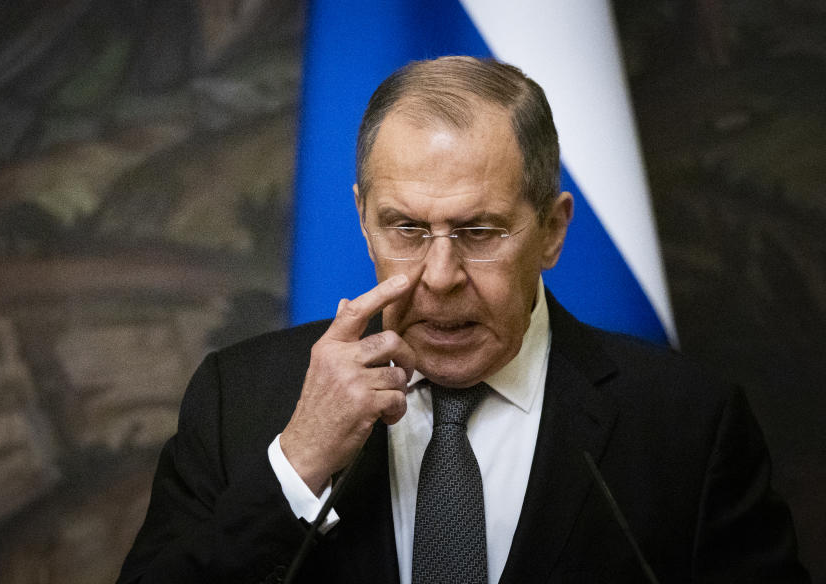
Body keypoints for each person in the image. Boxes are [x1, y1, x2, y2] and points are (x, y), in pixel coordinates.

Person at [117, 56, 808, 583]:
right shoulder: (237, 401)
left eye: (479, 231)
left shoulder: (687, 424)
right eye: (407, 229)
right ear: (363, 220)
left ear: (552, 230)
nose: (441, 277)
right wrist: (296, 469)